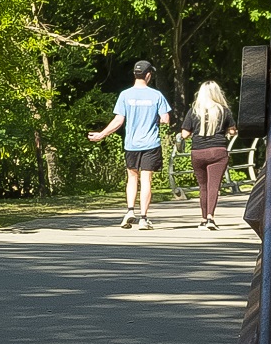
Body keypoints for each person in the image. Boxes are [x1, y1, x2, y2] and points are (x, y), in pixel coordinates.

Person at [86, 59, 172, 229]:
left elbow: (118, 120)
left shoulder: (125, 95)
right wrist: (159, 120)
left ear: (135, 74)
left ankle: (129, 210)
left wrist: (102, 134)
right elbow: (165, 119)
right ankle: (143, 218)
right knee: (146, 179)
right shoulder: (156, 95)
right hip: (151, 143)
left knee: (132, 178)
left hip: (131, 144)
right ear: (148, 75)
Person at [184, 79, 236, 229]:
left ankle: (202, 218)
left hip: (198, 152)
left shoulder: (194, 110)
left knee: (203, 186)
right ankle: (210, 218)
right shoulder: (223, 110)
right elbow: (232, 131)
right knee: (214, 186)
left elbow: (185, 133)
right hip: (218, 151)